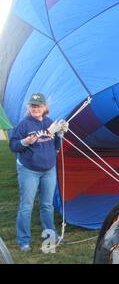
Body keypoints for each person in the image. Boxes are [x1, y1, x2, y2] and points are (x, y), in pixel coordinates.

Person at [9, 93, 68, 252]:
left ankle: (50, 237)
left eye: (39, 105)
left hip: (49, 170)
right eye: (33, 106)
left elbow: (56, 145)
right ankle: (23, 241)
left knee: (47, 205)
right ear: (29, 107)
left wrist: (60, 134)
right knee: (26, 206)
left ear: (45, 108)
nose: (36, 108)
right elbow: (13, 146)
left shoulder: (50, 123)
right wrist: (25, 142)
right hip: (29, 170)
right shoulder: (24, 125)